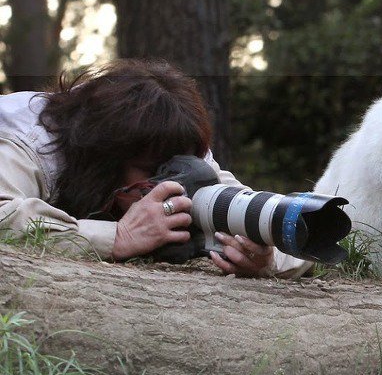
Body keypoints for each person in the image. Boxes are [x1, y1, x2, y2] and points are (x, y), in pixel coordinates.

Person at [0, 59, 307, 277]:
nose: (172, 184)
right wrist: (118, 236)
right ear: (104, 164)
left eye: (179, 166)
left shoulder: (177, 150)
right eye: (151, 172)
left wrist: (264, 257)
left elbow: (265, 214)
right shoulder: (28, 143)